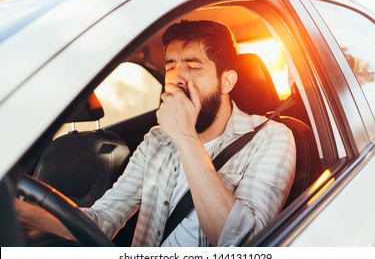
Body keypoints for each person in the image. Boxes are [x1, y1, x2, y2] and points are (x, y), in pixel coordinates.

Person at [15, 20, 296, 247]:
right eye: (170, 66)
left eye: (193, 65)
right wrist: (18, 211)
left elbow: (243, 245)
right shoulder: (157, 140)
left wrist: (186, 137)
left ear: (226, 81)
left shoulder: (271, 138)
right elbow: (102, 220)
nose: (176, 78)